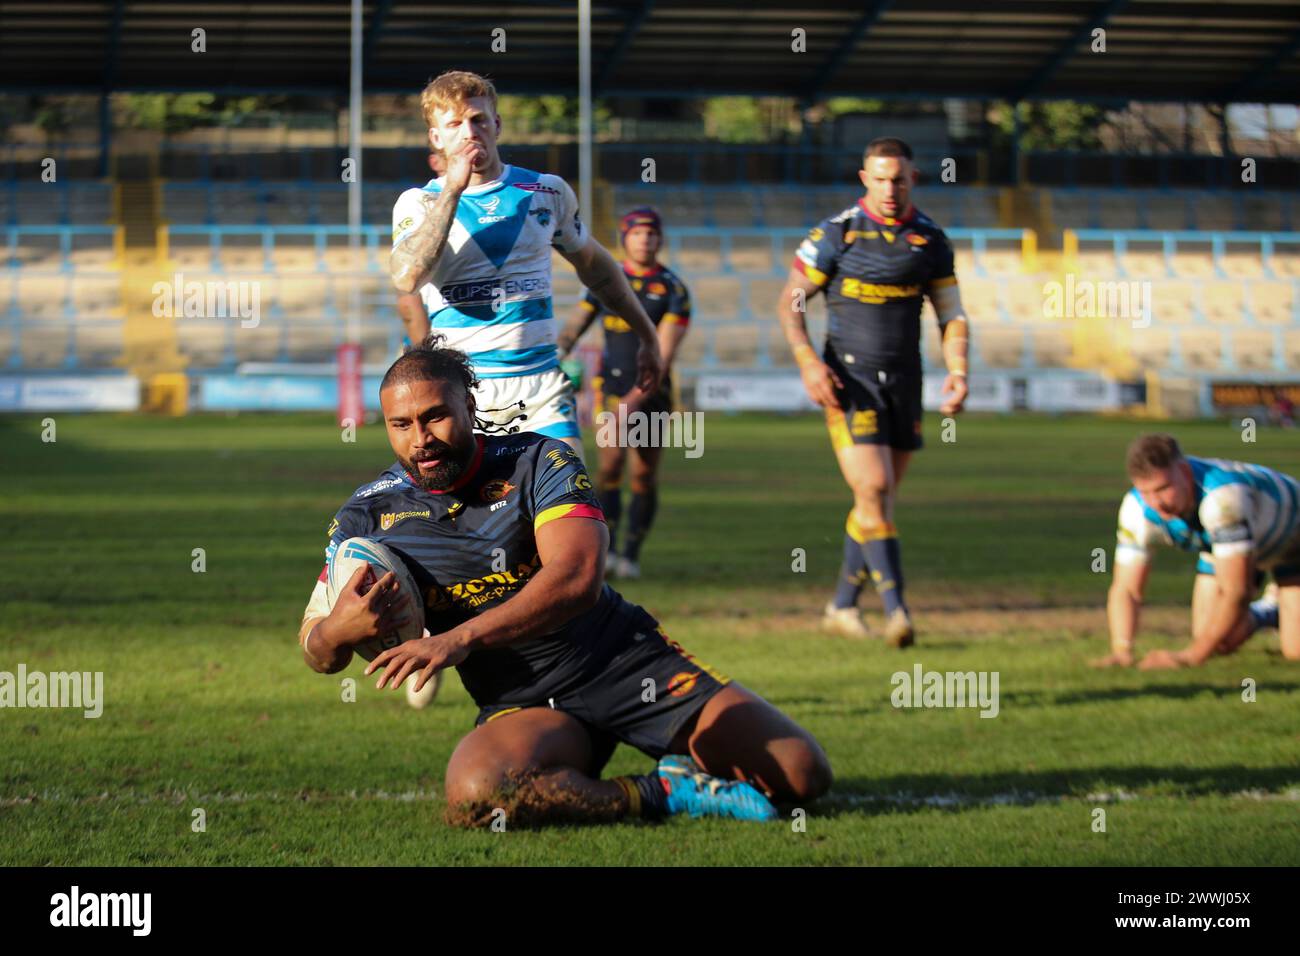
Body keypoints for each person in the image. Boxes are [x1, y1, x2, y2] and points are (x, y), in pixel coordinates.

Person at [296, 337, 832, 827]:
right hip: (524, 700)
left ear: (470, 408)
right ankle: (665, 790)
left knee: (801, 776)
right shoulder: (367, 516)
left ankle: (667, 743)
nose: (421, 439)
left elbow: (577, 580)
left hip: (623, 659)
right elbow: (316, 650)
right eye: (401, 424)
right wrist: (336, 632)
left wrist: (456, 639)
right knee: (478, 795)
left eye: (436, 416)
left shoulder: (539, 461)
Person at [390, 69, 664, 458]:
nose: (469, 132)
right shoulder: (418, 203)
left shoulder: (546, 191)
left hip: (541, 391)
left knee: (574, 508)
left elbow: (599, 270)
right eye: (454, 124)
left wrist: (647, 335)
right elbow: (407, 276)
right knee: (473, 518)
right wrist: (453, 186)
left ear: (496, 125)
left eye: (478, 119)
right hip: (461, 397)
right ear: (437, 137)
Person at [776, 137, 971, 647]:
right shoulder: (835, 236)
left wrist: (959, 369)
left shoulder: (931, 240)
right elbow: (790, 303)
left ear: (914, 179)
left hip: (906, 383)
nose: (890, 188)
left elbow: (951, 313)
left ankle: (841, 606)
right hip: (849, 382)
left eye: (899, 178)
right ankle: (897, 612)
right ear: (865, 178)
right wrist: (807, 361)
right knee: (874, 492)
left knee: (876, 502)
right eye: (880, 178)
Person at [556, 206, 691, 578]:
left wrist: (633, 402)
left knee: (643, 476)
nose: (645, 240)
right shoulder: (605, 280)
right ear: (624, 237)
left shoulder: (674, 290)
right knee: (610, 467)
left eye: (651, 234)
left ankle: (631, 554)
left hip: (651, 395)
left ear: (660, 240)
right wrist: (556, 353)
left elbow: (662, 355)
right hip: (610, 390)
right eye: (637, 233)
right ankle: (609, 551)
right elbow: (576, 324)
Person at [1096, 434, 1299, 669]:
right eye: (1146, 492)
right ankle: (1270, 610)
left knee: (1295, 652)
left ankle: (1277, 604)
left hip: (1293, 542)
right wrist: (1122, 650)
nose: (1157, 502)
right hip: (1229, 545)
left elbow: (1237, 591)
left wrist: (1190, 657)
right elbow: (1126, 588)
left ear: (1184, 471)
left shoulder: (1222, 499)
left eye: (1163, 489)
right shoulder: (1136, 509)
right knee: (1214, 637)